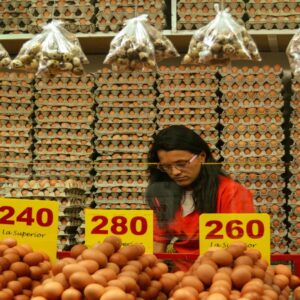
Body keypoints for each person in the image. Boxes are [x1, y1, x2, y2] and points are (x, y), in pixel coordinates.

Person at [146, 125, 255, 270]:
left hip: (218, 273)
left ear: (202, 157)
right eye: (166, 167)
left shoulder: (231, 192)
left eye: (181, 164)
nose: (175, 172)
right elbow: (157, 242)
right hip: (178, 274)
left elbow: (239, 248)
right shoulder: (165, 193)